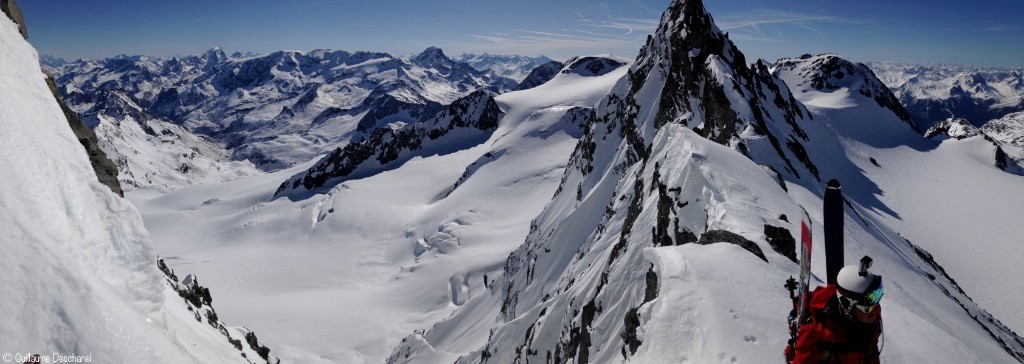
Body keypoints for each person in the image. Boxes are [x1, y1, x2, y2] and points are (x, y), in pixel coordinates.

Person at [786, 257, 884, 363]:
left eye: (877, 295)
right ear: (848, 306)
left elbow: (871, 350)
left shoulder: (870, 317)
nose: (874, 308)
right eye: (868, 304)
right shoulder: (816, 337)